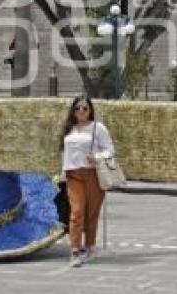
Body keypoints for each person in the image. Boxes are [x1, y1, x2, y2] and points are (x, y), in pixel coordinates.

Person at [60, 95, 115, 267]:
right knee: (76, 212)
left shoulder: (97, 128)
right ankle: (75, 250)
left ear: (90, 110)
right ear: (73, 110)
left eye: (85, 108)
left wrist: (97, 156)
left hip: (93, 174)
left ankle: (90, 246)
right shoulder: (69, 128)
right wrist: (62, 173)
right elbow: (64, 153)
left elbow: (110, 150)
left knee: (92, 213)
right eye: (78, 108)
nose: (81, 111)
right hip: (73, 174)